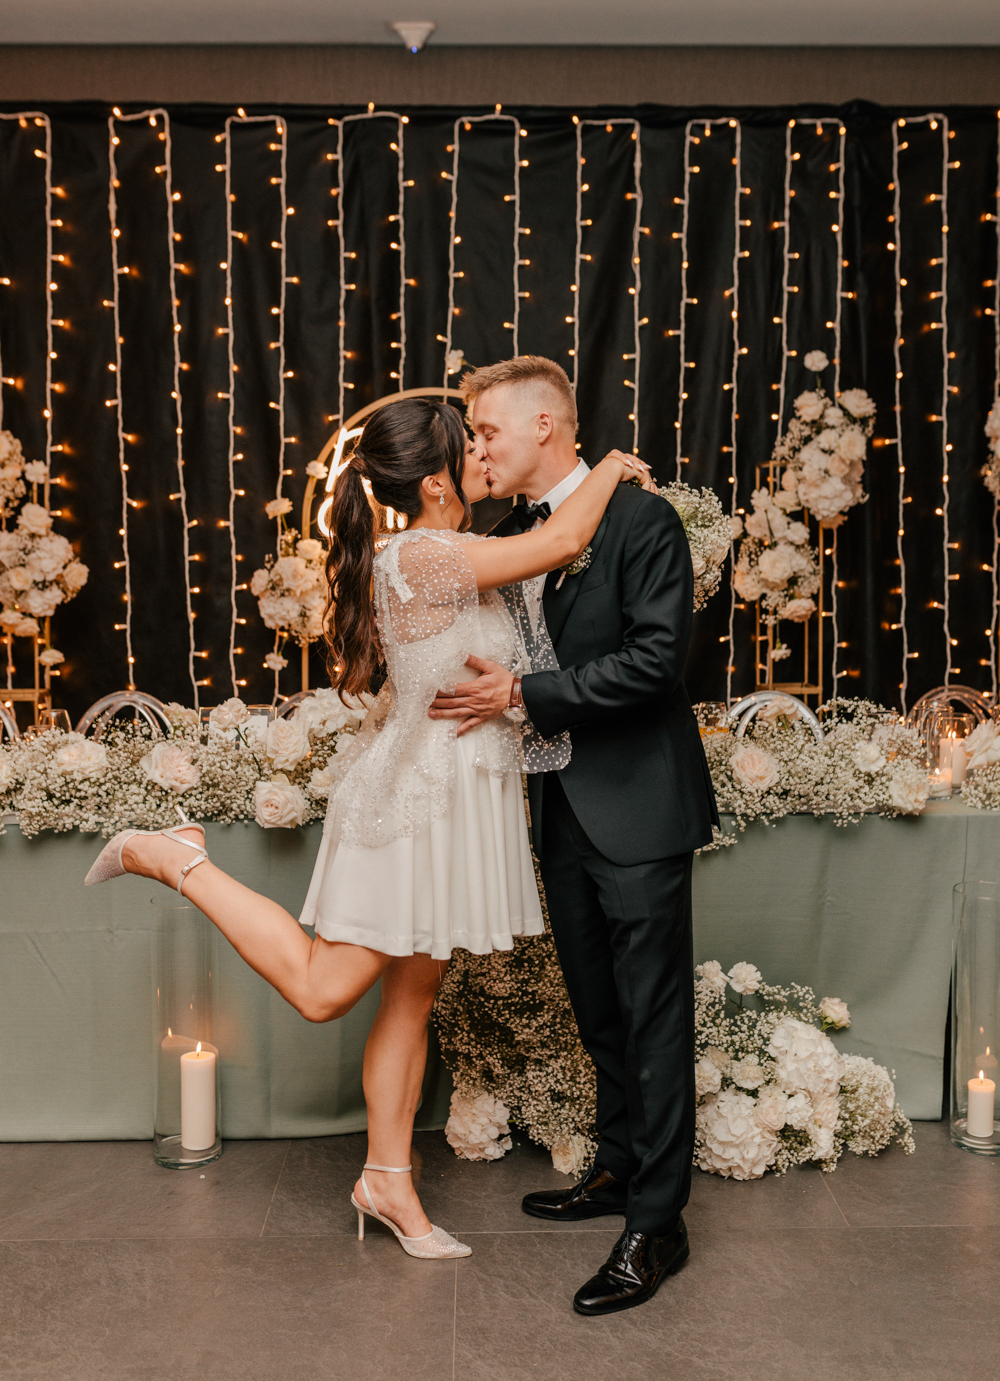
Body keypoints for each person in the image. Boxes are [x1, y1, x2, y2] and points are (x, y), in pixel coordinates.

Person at [83, 396, 649, 1264]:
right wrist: (609, 465)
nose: (484, 454)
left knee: (412, 998)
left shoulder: (455, 550)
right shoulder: (422, 554)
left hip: (452, 804)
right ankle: (170, 857)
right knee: (323, 991)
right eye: (470, 445)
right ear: (435, 482)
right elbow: (565, 540)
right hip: (412, 810)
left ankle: (387, 1180)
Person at [428, 356, 719, 1316]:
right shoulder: (514, 534)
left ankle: (658, 1223)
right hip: (558, 807)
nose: (479, 448)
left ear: (544, 426)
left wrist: (524, 693)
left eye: (488, 432)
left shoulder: (643, 521)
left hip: (637, 805)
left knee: (653, 1017)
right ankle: (619, 1167)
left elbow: (654, 662)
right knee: (599, 1010)